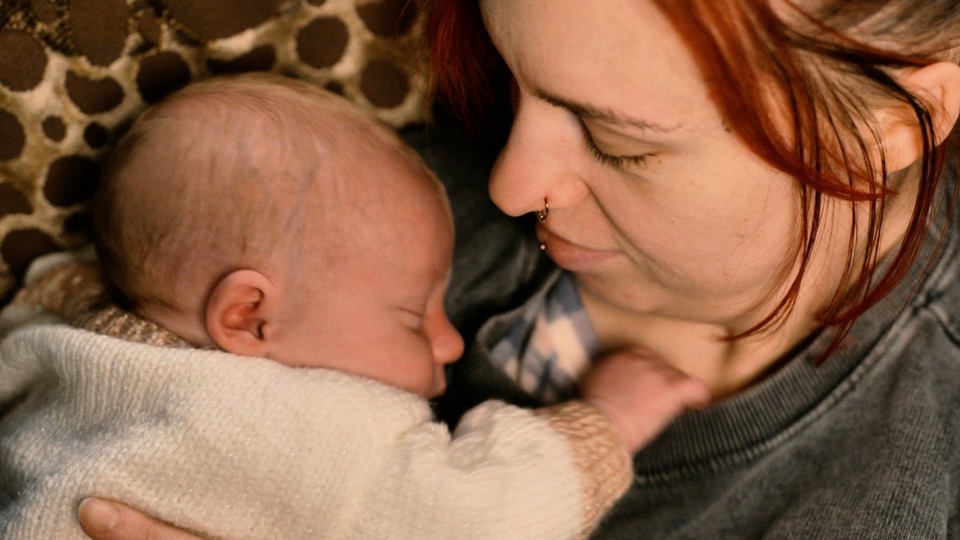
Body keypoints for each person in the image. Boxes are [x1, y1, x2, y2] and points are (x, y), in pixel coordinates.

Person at [71, 0, 960, 537]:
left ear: (876, 133)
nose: (510, 184)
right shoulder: (369, 219)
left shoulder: (917, 470)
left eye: (620, 143)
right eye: (511, 77)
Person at [0, 73, 710, 539]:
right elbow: (484, 519)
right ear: (249, 317)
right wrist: (604, 423)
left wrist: (68, 287)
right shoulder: (309, 430)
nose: (451, 342)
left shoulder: (60, 349)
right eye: (412, 317)